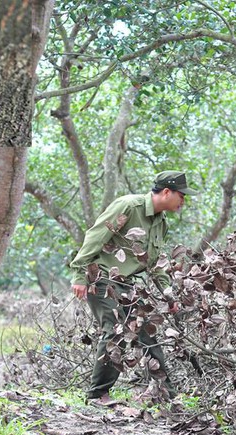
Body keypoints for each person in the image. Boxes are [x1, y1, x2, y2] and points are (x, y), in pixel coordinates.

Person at [70, 170, 198, 402]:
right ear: (166, 192)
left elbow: (155, 265)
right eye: (181, 195)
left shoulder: (161, 224)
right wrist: (79, 274)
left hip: (125, 284)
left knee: (146, 331)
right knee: (115, 331)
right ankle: (97, 395)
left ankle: (166, 394)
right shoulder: (129, 206)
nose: (183, 201)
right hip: (100, 278)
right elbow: (95, 237)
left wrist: (169, 296)